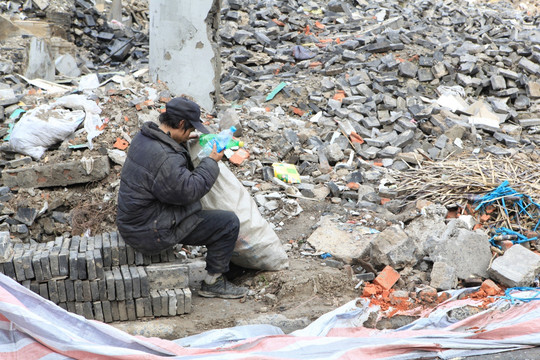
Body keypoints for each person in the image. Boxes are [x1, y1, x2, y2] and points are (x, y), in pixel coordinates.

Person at [116, 97, 248, 299]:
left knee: (201, 210)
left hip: (135, 220)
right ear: (180, 124)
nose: (188, 134)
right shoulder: (165, 157)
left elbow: (167, 166)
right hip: (149, 231)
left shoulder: (145, 138)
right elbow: (189, 191)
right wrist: (211, 161)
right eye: (188, 129)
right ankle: (213, 282)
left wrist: (186, 139)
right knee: (227, 223)